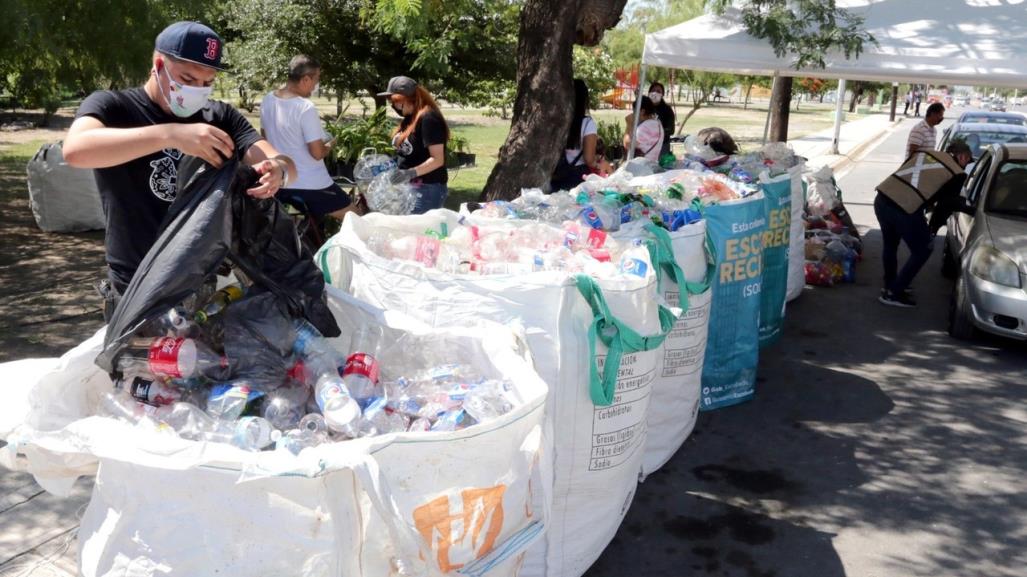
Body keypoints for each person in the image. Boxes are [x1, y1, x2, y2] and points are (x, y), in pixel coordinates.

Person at [62, 21, 296, 319]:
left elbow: (283, 162)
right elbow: (76, 150)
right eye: (188, 78)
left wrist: (278, 169)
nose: (198, 90)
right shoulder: (114, 107)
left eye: (207, 82)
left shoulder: (220, 117)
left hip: (201, 280)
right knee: (141, 364)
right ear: (158, 64)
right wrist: (171, 134)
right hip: (136, 282)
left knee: (206, 363)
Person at [874, 140, 973, 308]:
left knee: (890, 245)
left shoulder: (926, 154)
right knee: (923, 249)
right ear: (962, 156)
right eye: (968, 160)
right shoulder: (957, 173)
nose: (966, 166)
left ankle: (890, 285)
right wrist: (933, 229)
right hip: (904, 208)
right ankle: (895, 293)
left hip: (883, 199)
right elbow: (945, 205)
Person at [260, 55, 352, 220]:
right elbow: (317, 153)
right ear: (305, 79)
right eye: (316, 80)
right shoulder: (305, 107)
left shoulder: (267, 100)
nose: (316, 86)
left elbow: (264, 139)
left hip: (280, 182)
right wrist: (330, 144)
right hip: (312, 184)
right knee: (355, 217)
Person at [379, 76, 449, 214]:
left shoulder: (429, 118)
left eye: (393, 101)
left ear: (405, 99)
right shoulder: (410, 118)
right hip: (410, 187)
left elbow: (438, 159)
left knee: (419, 232)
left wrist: (410, 173)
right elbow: (407, 153)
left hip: (427, 188)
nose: (393, 106)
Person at [550, 79, 611, 191]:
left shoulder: (556, 121)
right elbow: (589, 159)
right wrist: (602, 165)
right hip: (578, 176)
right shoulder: (587, 123)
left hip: (556, 174)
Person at [623, 96, 664, 163]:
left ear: (642, 111)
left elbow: (627, 144)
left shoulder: (644, 128)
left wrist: (629, 124)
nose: (633, 114)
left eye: (634, 111)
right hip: (653, 164)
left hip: (641, 167)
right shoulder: (658, 124)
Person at [647, 82, 676, 158]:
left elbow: (671, 130)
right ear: (649, 92)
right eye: (653, 90)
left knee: (660, 168)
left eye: (658, 91)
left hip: (662, 146)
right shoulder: (643, 108)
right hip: (645, 145)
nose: (655, 93)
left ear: (662, 94)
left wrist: (657, 133)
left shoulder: (667, 110)